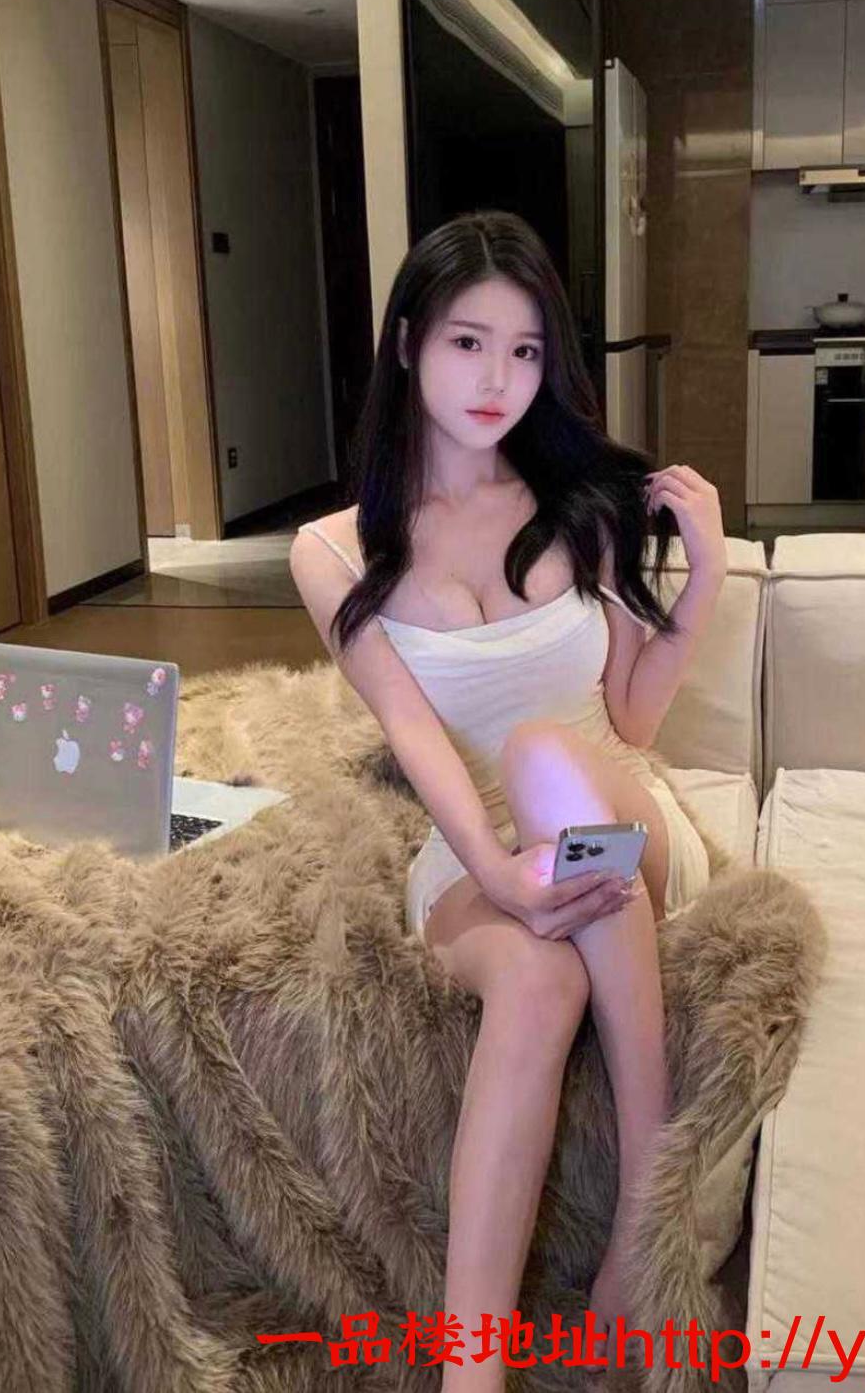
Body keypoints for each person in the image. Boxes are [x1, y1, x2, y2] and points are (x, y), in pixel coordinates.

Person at [290, 210, 726, 1388]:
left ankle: (644, 1196)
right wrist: (497, 874)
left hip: (623, 825)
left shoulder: (575, 503)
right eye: (469, 343)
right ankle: (469, 1373)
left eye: (526, 352)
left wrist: (703, 583)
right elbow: (411, 733)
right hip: (477, 850)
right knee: (535, 979)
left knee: (546, 751)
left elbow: (629, 720)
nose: (498, 381)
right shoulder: (333, 552)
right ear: (408, 344)